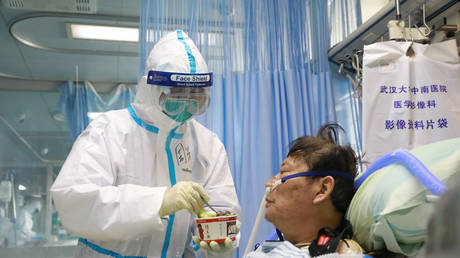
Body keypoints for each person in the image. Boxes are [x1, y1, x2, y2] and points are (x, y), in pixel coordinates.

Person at [50, 29, 241, 258]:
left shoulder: (208, 145)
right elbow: (75, 203)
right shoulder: (109, 131)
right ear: (152, 88)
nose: (187, 104)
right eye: (178, 94)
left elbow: (222, 210)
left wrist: (223, 243)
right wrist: (158, 201)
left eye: (196, 95)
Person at [245, 124, 364, 257]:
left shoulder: (345, 253)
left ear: (322, 189)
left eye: (284, 173)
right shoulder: (270, 249)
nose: (269, 184)